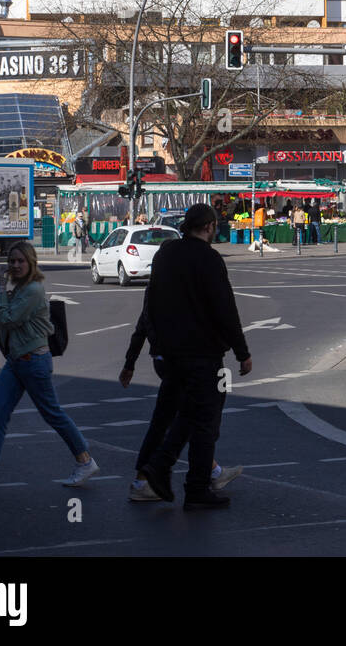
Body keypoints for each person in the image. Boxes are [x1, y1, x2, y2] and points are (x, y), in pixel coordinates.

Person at [0, 242, 98, 492]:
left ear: (31, 263)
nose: (15, 266)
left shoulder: (33, 290)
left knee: (53, 414)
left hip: (33, 363)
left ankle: (85, 461)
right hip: (16, 362)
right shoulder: (20, 288)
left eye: (20, 261)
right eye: (12, 261)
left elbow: (7, 319)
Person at [138, 204, 252, 510]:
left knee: (188, 415)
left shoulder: (166, 254)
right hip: (203, 354)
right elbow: (224, 308)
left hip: (170, 354)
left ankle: (159, 468)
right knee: (204, 421)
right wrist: (242, 351)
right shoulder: (209, 258)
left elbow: (152, 303)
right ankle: (195, 487)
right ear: (210, 226)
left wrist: (158, 345)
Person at [120, 286, 243, 500]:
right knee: (178, 420)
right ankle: (144, 480)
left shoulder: (159, 285)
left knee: (184, 417)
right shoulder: (178, 287)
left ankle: (213, 472)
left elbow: (141, 326)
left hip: (166, 359)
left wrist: (130, 363)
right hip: (179, 361)